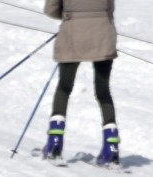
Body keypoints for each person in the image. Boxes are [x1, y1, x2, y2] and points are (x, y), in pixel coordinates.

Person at [42, 0, 121, 165]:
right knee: (103, 91)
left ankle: (54, 143)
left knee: (64, 88)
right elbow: (109, 9)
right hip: (103, 36)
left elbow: (50, 10)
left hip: (72, 34)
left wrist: (70, 16)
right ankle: (111, 148)